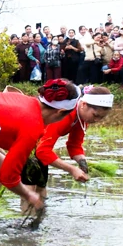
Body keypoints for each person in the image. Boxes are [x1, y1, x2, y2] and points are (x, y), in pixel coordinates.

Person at [0, 80, 81, 229]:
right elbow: (8, 177)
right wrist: (28, 195)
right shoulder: (32, 125)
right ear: (59, 112)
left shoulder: (26, 100)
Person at [20, 85, 114, 221]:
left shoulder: (82, 119)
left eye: (101, 118)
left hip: (37, 144)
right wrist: (71, 169)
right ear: (84, 105)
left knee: (41, 188)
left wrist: (82, 162)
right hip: (27, 140)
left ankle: (39, 221)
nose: (96, 120)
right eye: (95, 115)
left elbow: (74, 145)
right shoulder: (63, 114)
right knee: (30, 188)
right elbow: (42, 151)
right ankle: (26, 226)